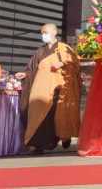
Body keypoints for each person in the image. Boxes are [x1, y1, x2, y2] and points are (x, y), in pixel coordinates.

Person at [17, 23, 81, 152]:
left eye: (45, 32)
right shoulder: (40, 51)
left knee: (56, 116)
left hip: (58, 89)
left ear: (54, 32)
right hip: (40, 90)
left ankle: (64, 136)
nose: (43, 35)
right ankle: (39, 145)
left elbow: (75, 63)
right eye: (42, 33)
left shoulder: (64, 48)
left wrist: (62, 63)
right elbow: (33, 67)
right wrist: (25, 74)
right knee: (37, 114)